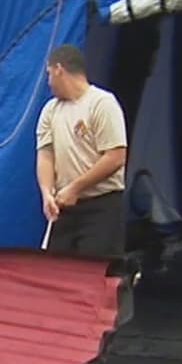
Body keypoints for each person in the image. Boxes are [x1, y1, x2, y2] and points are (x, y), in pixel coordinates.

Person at [35, 44, 128, 257]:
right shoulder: (50, 110)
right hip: (65, 206)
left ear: (59, 69)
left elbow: (115, 157)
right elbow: (45, 155)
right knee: (58, 272)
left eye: (49, 74)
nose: (48, 82)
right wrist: (47, 193)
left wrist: (76, 188)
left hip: (101, 205)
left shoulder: (102, 103)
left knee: (95, 272)